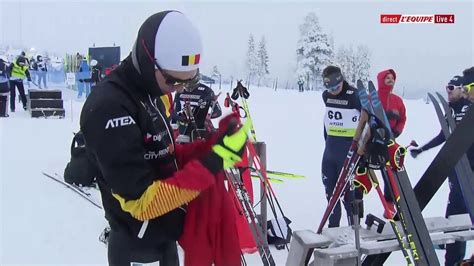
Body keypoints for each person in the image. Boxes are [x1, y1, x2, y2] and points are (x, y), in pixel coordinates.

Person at [80, 11, 246, 265]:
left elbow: (161, 155)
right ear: (148, 59)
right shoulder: (109, 107)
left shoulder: (150, 92)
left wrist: (209, 147)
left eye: (188, 82)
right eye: (172, 80)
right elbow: (143, 202)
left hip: (165, 237)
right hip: (134, 243)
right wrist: (210, 163)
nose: (178, 89)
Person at [410, 75, 472, 265]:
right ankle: (452, 254)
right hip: (454, 165)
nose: (449, 91)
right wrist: (422, 149)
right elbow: (443, 135)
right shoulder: (451, 110)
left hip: (469, 166)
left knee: (460, 207)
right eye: (447, 87)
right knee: (454, 208)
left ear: (463, 88)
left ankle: (455, 254)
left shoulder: (468, 106)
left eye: (452, 87)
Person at [321, 65, 363, 228]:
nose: (333, 91)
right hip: (330, 149)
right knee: (330, 192)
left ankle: (354, 230)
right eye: (330, 88)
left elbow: (368, 120)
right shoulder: (326, 96)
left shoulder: (354, 96)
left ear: (342, 80)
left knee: (348, 195)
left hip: (348, 150)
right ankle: (333, 229)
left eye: (336, 87)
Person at [376, 69, 406, 218]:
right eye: (387, 78)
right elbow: (365, 114)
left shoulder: (397, 100)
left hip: (390, 140)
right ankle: (355, 203)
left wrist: (397, 132)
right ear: (381, 79)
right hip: (372, 140)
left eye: (392, 78)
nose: (390, 80)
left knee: (389, 174)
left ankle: (389, 205)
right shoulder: (372, 97)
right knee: (362, 172)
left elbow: (402, 119)